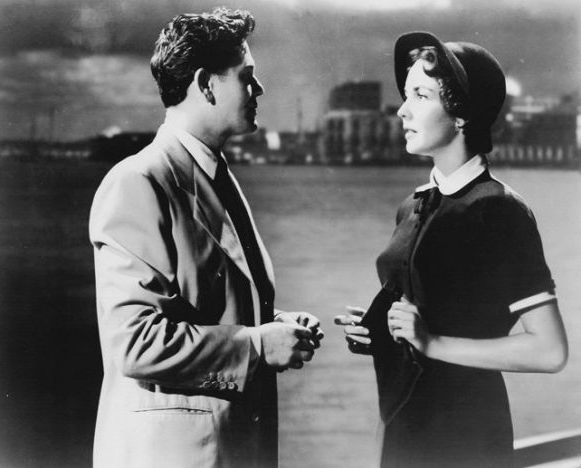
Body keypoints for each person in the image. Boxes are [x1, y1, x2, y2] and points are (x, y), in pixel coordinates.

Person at [89, 8, 323, 468]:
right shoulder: (138, 181)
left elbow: (205, 303)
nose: (259, 89)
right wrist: (258, 344)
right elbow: (135, 343)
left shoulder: (217, 176)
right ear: (206, 84)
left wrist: (273, 323)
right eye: (247, 77)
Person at [335, 31, 568, 467]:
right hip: (404, 425)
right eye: (406, 95)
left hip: (466, 434)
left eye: (420, 95)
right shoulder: (413, 205)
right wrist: (381, 333)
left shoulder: (497, 209)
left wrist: (432, 343)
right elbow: (431, 312)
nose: (402, 110)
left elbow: (550, 350)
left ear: (461, 114)